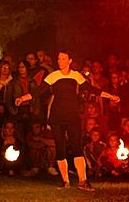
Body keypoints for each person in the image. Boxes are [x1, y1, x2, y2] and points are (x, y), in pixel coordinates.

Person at [19, 50, 120, 191]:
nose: (60, 61)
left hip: (72, 116)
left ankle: (82, 181)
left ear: (69, 61)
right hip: (57, 117)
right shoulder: (53, 76)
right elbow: (39, 91)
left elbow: (90, 89)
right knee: (61, 148)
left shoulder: (76, 76)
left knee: (77, 147)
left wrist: (109, 96)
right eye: (59, 59)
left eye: (63, 59)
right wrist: (23, 98)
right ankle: (65, 181)